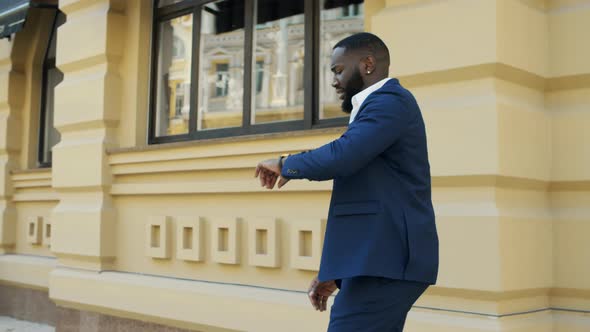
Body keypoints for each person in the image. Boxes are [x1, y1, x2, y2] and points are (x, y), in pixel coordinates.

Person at [254, 32, 438, 332]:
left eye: (338, 70)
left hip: (387, 264)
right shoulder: (377, 107)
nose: (334, 81)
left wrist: (286, 164)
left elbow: (344, 155)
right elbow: (367, 200)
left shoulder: (390, 102)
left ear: (367, 64)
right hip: (376, 262)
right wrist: (337, 273)